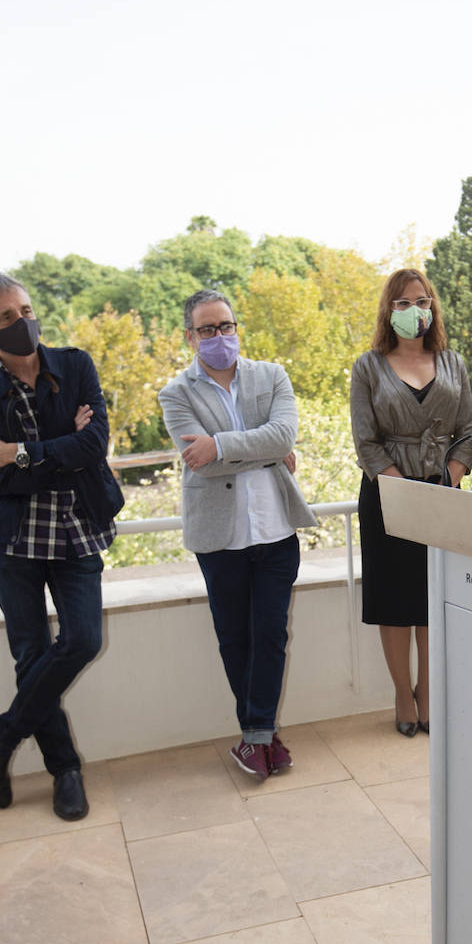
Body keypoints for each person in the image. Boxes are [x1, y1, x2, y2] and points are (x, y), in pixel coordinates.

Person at [0, 271, 124, 820]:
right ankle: (65, 769)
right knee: (31, 653)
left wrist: (20, 452)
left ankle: (1, 735)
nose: (22, 323)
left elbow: (94, 444)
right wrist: (54, 450)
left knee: (82, 639)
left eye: (27, 310)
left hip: (78, 527)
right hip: (12, 538)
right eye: (7, 318)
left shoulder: (75, 365)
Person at [159, 289, 316, 779]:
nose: (219, 336)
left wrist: (223, 444)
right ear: (190, 337)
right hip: (218, 537)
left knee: (271, 634)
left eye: (226, 326)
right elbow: (199, 466)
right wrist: (263, 449)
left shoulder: (272, 376)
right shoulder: (175, 393)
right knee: (235, 639)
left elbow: (283, 436)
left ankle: (256, 736)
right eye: (207, 329)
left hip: (274, 530)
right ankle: (261, 735)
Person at [350, 268, 472, 736]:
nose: (413, 310)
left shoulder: (452, 362)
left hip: (443, 497)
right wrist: (401, 488)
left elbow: (467, 432)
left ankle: (428, 691)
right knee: (394, 602)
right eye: (402, 303)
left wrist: (448, 481)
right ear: (389, 310)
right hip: (386, 497)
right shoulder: (368, 366)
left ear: (432, 307)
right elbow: (365, 442)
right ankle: (403, 695)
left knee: (433, 599)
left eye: (421, 301)